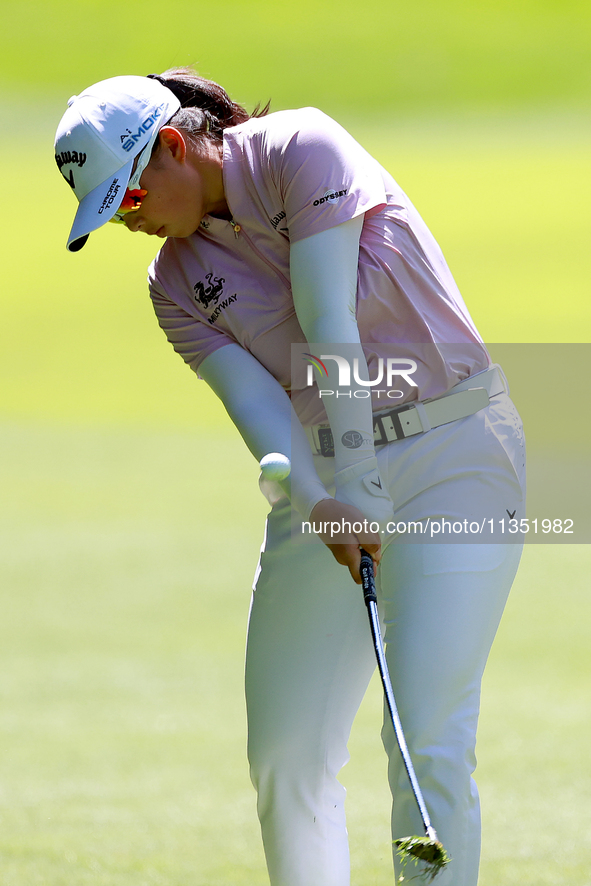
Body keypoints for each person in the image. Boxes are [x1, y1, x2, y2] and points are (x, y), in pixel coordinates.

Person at [55, 69, 526, 885]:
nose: (127, 224)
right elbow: (262, 416)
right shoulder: (172, 281)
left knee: (425, 739)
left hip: (457, 449)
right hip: (325, 483)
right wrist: (323, 503)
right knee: (285, 750)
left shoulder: (300, 146)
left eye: (127, 200)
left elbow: (327, 320)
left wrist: (361, 486)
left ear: (170, 147)